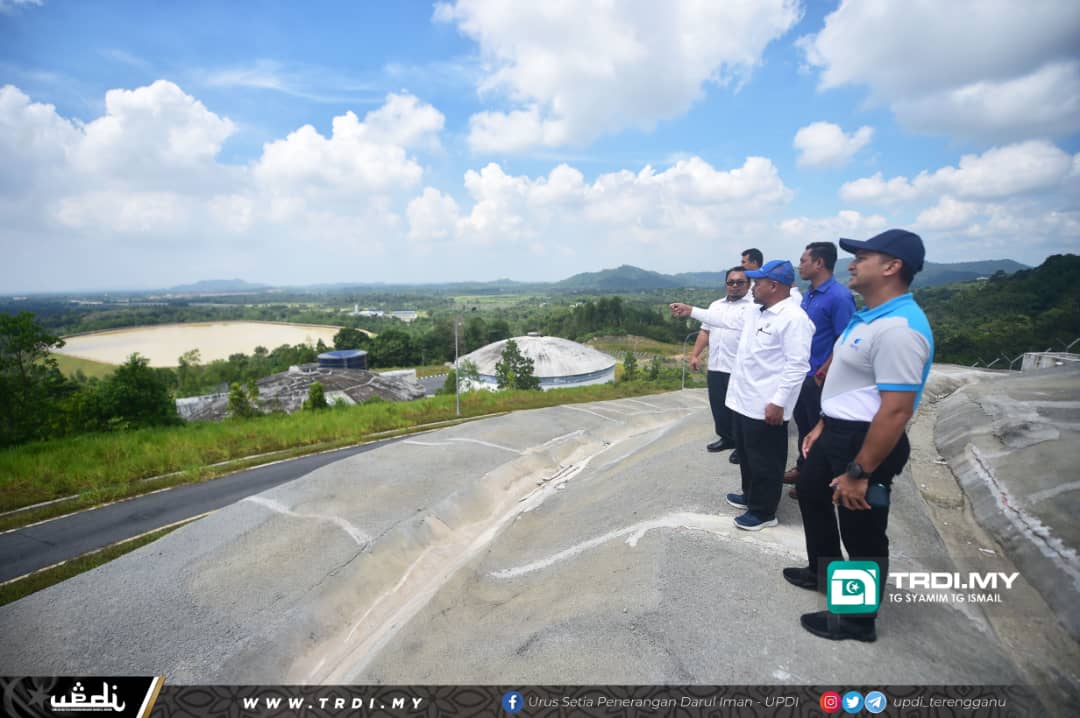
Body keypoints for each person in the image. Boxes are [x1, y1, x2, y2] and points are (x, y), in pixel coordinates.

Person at [785, 229, 934, 642]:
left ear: (892, 267)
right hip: (835, 430)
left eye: (863, 257)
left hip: (864, 442)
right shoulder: (870, 315)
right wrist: (821, 424)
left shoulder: (900, 329)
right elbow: (850, 386)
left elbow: (896, 409)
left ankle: (856, 618)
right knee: (813, 494)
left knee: (862, 532)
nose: (852, 264)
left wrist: (859, 470)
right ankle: (821, 571)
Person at [671, 260, 812, 530]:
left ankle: (764, 512)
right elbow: (722, 319)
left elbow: (797, 366)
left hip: (765, 405)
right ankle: (750, 496)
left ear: (773, 285)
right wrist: (691, 311)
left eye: (757, 282)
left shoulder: (793, 319)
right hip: (743, 400)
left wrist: (779, 402)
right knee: (748, 456)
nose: (752, 287)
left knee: (765, 460)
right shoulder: (757, 312)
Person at [785, 242, 856, 498]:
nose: (800, 265)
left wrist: (823, 372)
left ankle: (817, 481)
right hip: (803, 373)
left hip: (819, 377)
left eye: (804, 260)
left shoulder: (839, 297)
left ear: (819, 263)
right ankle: (804, 469)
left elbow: (845, 339)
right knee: (804, 427)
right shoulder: (810, 293)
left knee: (819, 431)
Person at [688, 267, 754, 463]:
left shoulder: (752, 307)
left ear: (748, 284)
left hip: (738, 367)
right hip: (716, 364)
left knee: (738, 410)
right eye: (730, 282)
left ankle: (742, 446)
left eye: (740, 282)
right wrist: (695, 355)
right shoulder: (715, 305)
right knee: (719, 405)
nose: (734, 286)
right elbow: (705, 332)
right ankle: (727, 438)